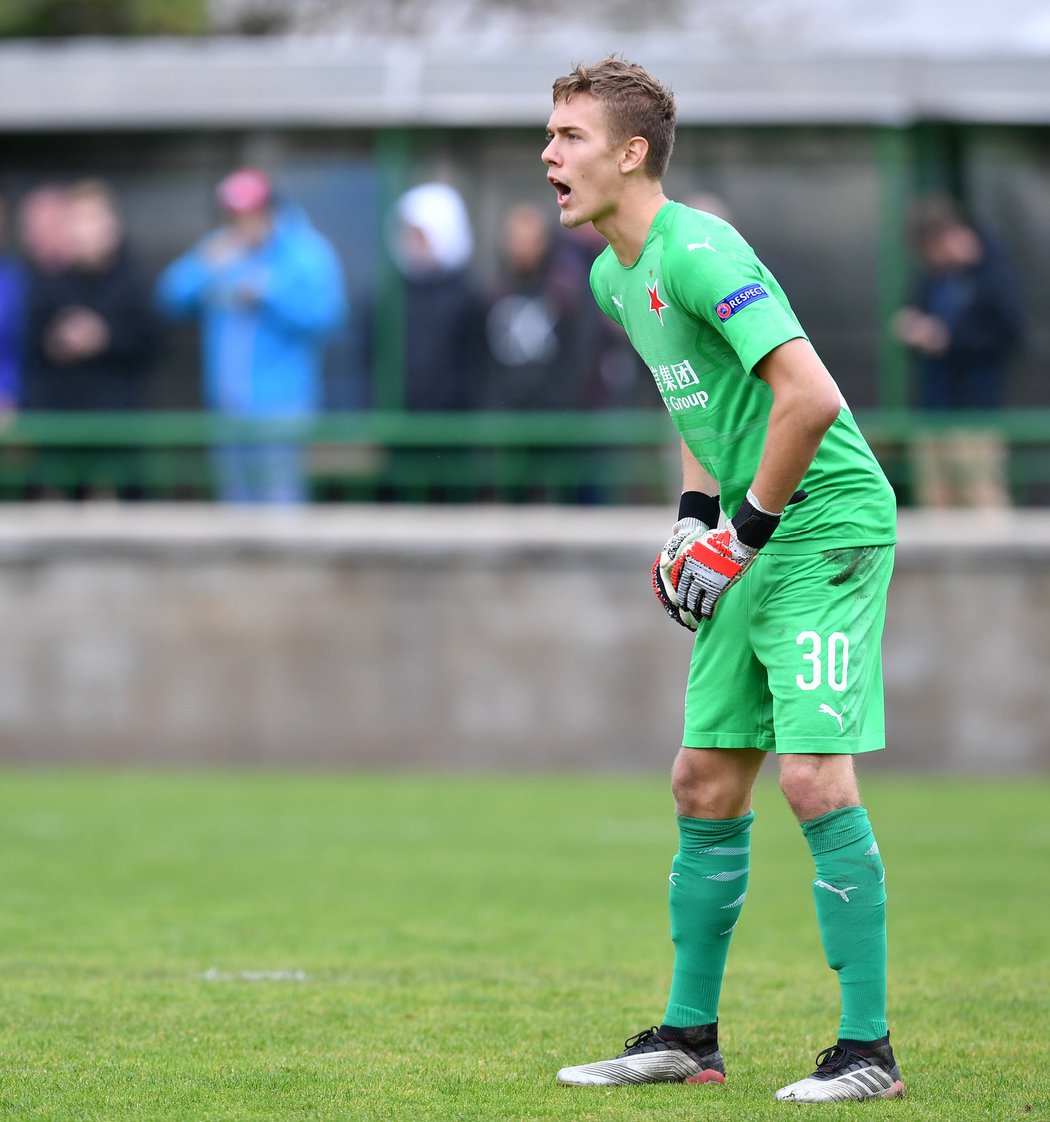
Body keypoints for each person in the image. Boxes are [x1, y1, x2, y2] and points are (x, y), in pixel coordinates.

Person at [542, 58, 902, 1103]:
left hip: (825, 521)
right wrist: (695, 521)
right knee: (702, 780)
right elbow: (703, 407)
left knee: (811, 777)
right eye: (551, 134)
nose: (549, 155)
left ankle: (867, 1052)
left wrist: (740, 533)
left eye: (568, 135)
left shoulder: (699, 250)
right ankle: (687, 1038)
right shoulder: (617, 277)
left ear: (631, 152)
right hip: (754, 525)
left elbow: (810, 401)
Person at [157, 168, 347, 504]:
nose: (242, 223)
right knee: (235, 504)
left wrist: (269, 294)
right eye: (234, 215)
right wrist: (205, 265)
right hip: (228, 404)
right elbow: (170, 297)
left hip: (281, 408)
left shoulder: (305, 252)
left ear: (270, 210)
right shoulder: (220, 250)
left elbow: (327, 318)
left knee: (280, 502)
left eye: (250, 214)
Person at [21, 180, 159, 497]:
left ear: (111, 223)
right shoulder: (48, 284)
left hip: (117, 435)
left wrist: (105, 337)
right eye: (77, 219)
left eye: (92, 218)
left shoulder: (134, 281)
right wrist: (57, 342)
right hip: (62, 437)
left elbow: (152, 345)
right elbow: (31, 352)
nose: (85, 230)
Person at [894, 195, 1023, 508]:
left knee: (982, 496)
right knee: (934, 498)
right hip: (933, 407)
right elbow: (915, 315)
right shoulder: (932, 278)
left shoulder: (992, 273)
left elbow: (1012, 333)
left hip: (975, 410)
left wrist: (948, 338)